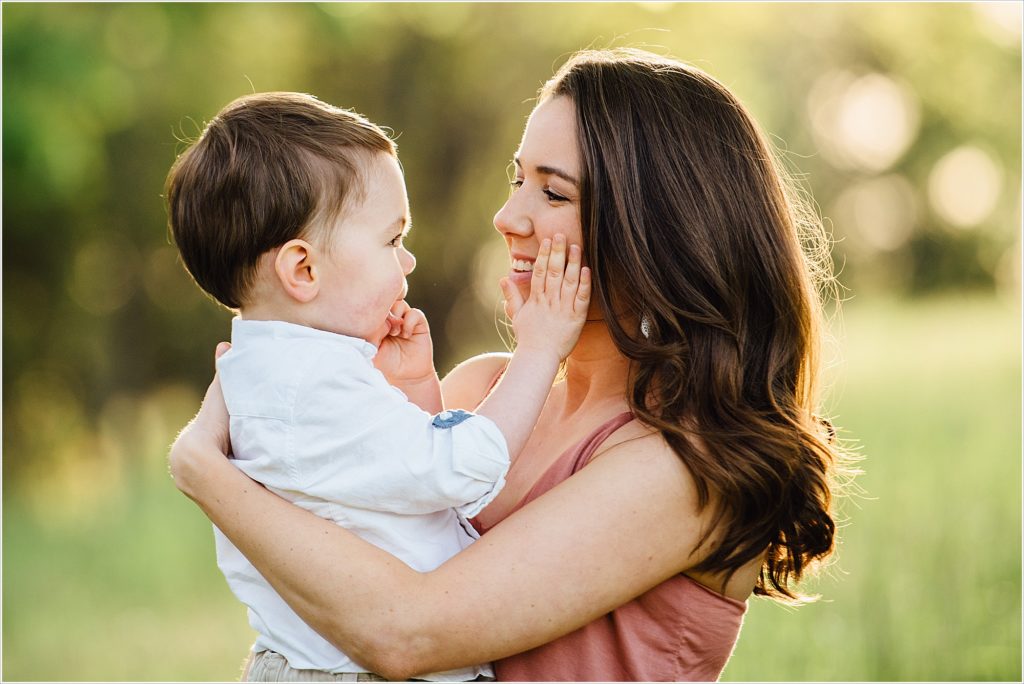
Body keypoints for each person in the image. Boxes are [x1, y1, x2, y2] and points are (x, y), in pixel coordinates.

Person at [170, 49, 853, 682]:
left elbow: (403, 635)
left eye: (553, 194)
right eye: (516, 178)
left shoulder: (684, 467)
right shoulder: (481, 389)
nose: (507, 217)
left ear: (659, 228)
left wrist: (208, 476)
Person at [163, 91, 591, 681]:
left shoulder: (284, 373)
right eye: (392, 241)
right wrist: (541, 350)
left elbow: (403, 493)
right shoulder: (309, 387)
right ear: (303, 270)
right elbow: (458, 473)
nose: (408, 261)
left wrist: (414, 385)